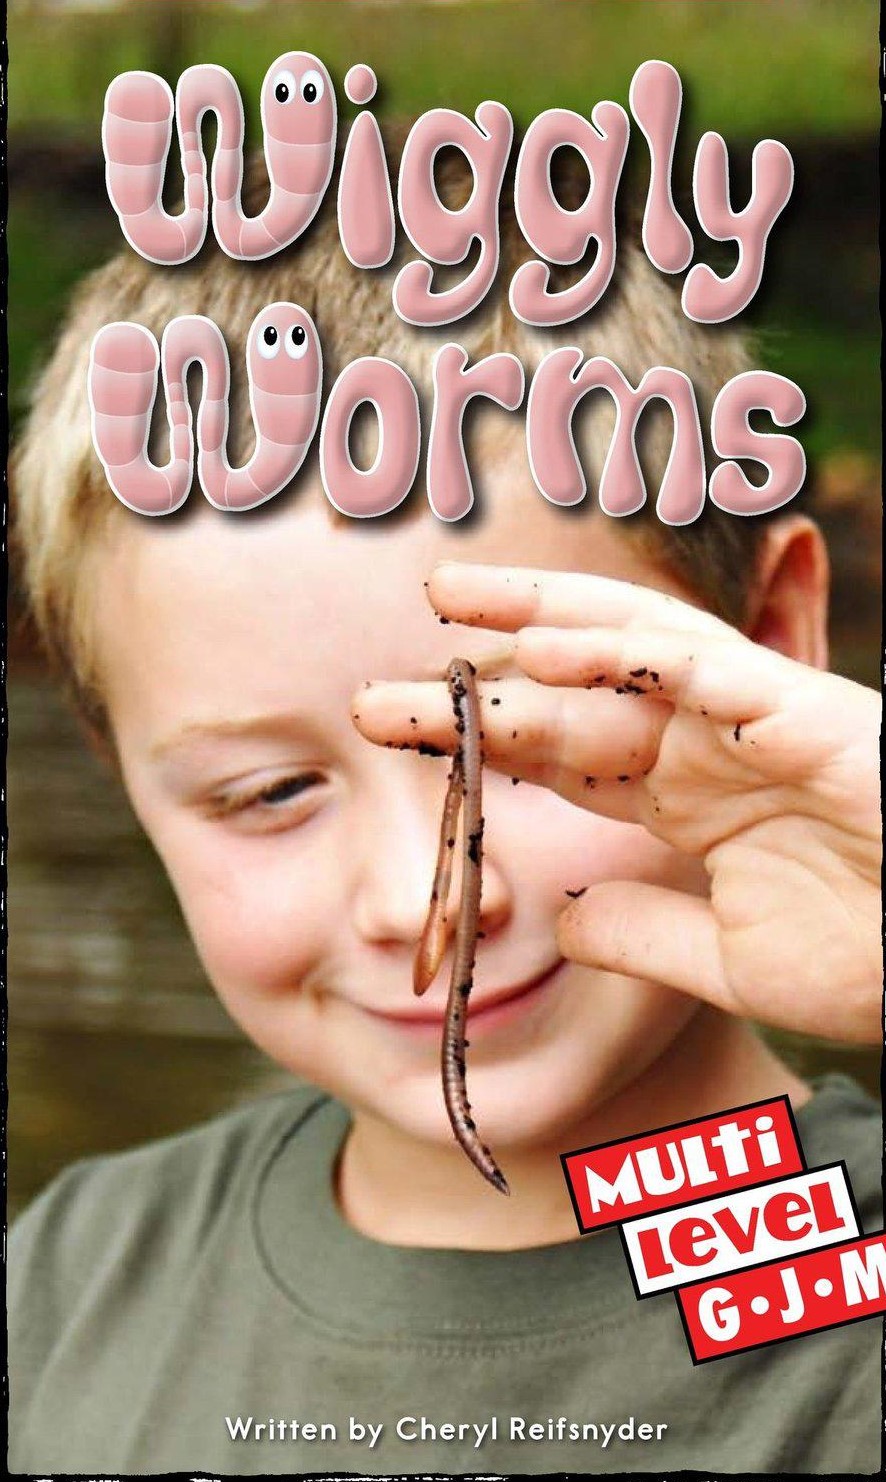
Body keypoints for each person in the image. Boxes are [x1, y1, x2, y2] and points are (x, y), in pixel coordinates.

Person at [9, 150, 882, 1475]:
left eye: (518, 743)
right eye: (268, 793)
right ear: (121, 765)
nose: (425, 898)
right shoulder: (67, 1292)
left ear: (765, 640)